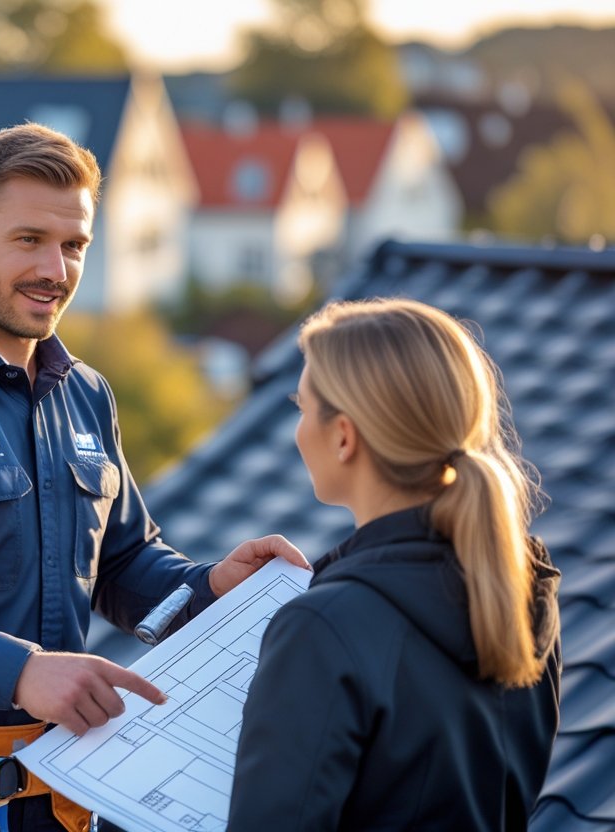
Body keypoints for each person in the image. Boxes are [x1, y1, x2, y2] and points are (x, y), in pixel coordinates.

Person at [0, 123, 308, 832]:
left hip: (66, 790)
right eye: (29, 239)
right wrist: (19, 671)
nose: (57, 270)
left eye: (74, 246)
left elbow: (123, 563)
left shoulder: (85, 392)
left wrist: (209, 588)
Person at [228, 298, 562, 830]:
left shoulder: (321, 628)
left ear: (343, 437)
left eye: (302, 407)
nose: (297, 428)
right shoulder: (522, 591)